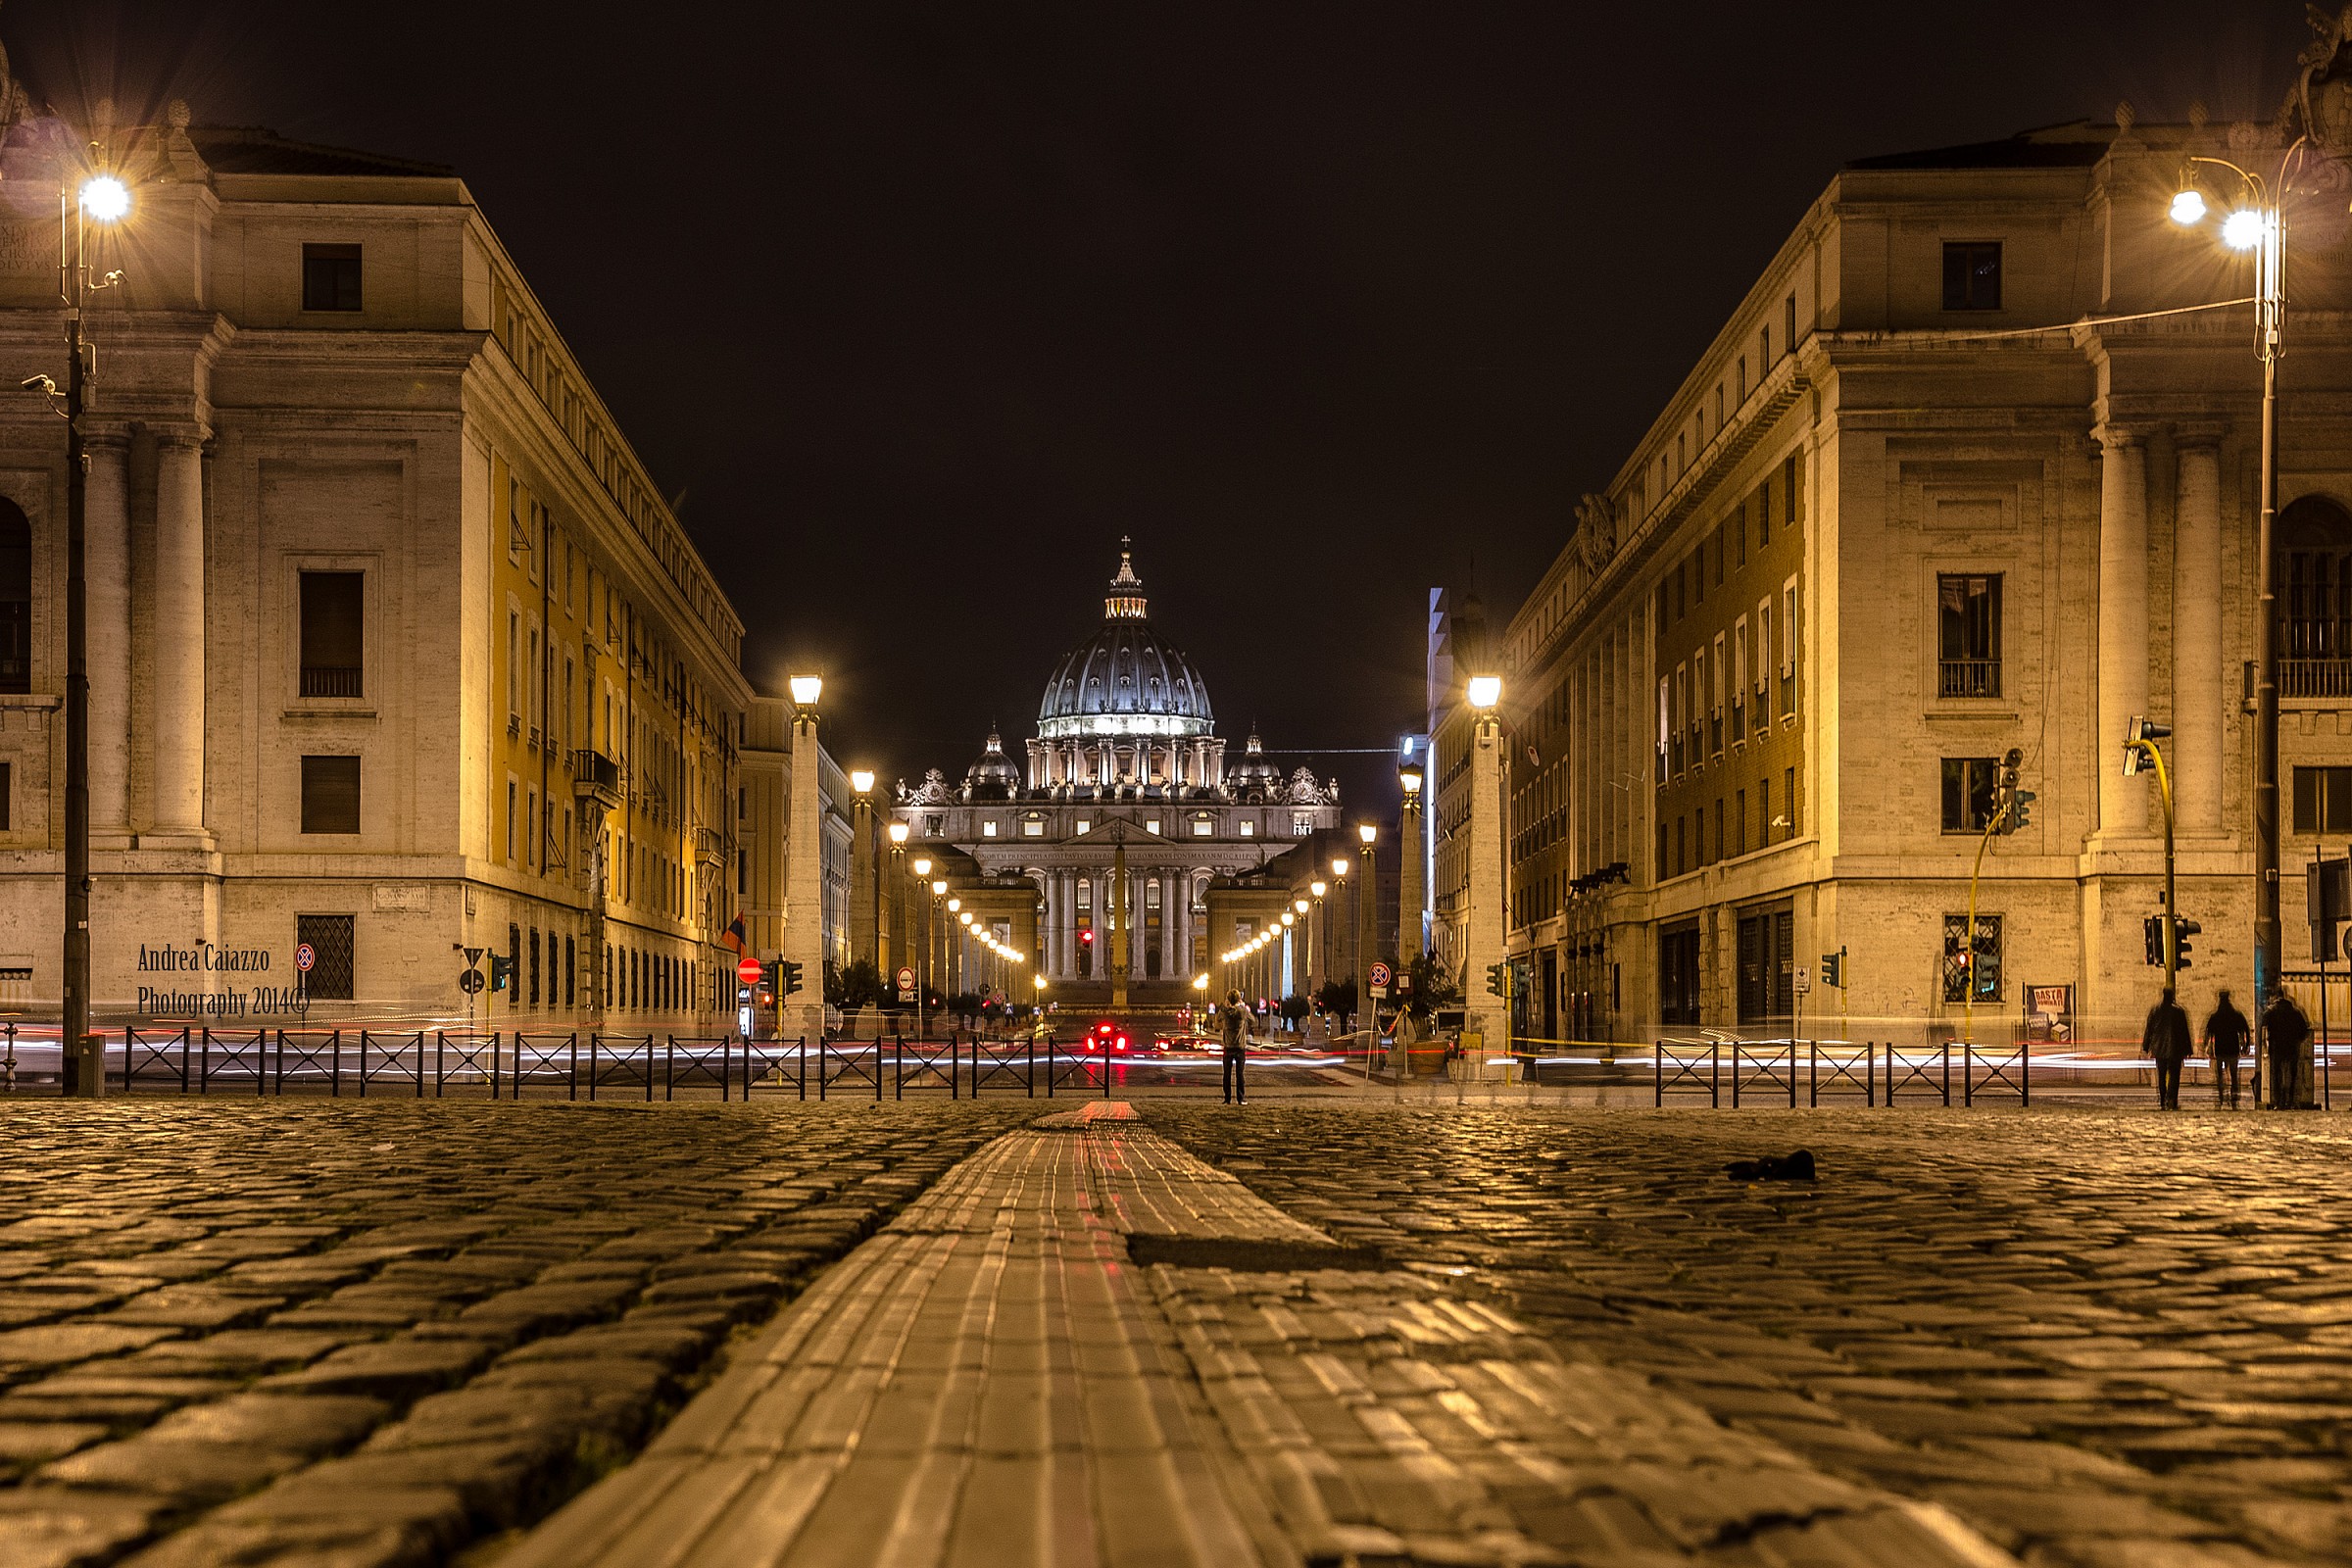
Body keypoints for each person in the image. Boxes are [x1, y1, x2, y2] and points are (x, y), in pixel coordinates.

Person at [2141, 986, 2192, 1110]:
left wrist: (2146, 1046)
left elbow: (2149, 1029)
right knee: (2174, 1075)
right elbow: (2184, 1032)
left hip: (2159, 1048)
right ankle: (2171, 1099)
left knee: (2161, 1075)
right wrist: (2188, 1049)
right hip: (2176, 1049)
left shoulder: (2155, 1011)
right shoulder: (2179, 1011)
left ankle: (2163, 1099)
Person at [2263, 989, 2311, 1109]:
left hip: (2276, 1047)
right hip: (2292, 1047)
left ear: (2275, 998)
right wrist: (2297, 1040)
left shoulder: (2271, 1012)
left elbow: (2263, 1025)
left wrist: (2267, 1043)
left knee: (2277, 1074)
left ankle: (2278, 1101)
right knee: (2292, 1075)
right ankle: (2290, 1100)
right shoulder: (2295, 1012)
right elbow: (2304, 1030)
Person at [2203, 991, 2250, 1109]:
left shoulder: (2215, 1016)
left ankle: (2221, 1095)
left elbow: (2208, 1032)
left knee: (2220, 1074)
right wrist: (2246, 1044)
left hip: (2220, 1049)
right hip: (2233, 1048)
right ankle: (2234, 1095)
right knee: (2234, 1074)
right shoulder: (2236, 1015)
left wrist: (2207, 1045)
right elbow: (2245, 1029)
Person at [1220, 989, 1251, 1104]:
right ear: (1239, 999)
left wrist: (1226, 1006)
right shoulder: (1242, 1012)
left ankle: (1227, 1098)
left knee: (1226, 1075)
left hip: (1228, 1046)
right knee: (1240, 1075)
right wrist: (1242, 1006)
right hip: (1240, 1046)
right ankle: (1240, 1098)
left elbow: (1217, 1020)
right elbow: (1252, 1020)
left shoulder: (1224, 1012)